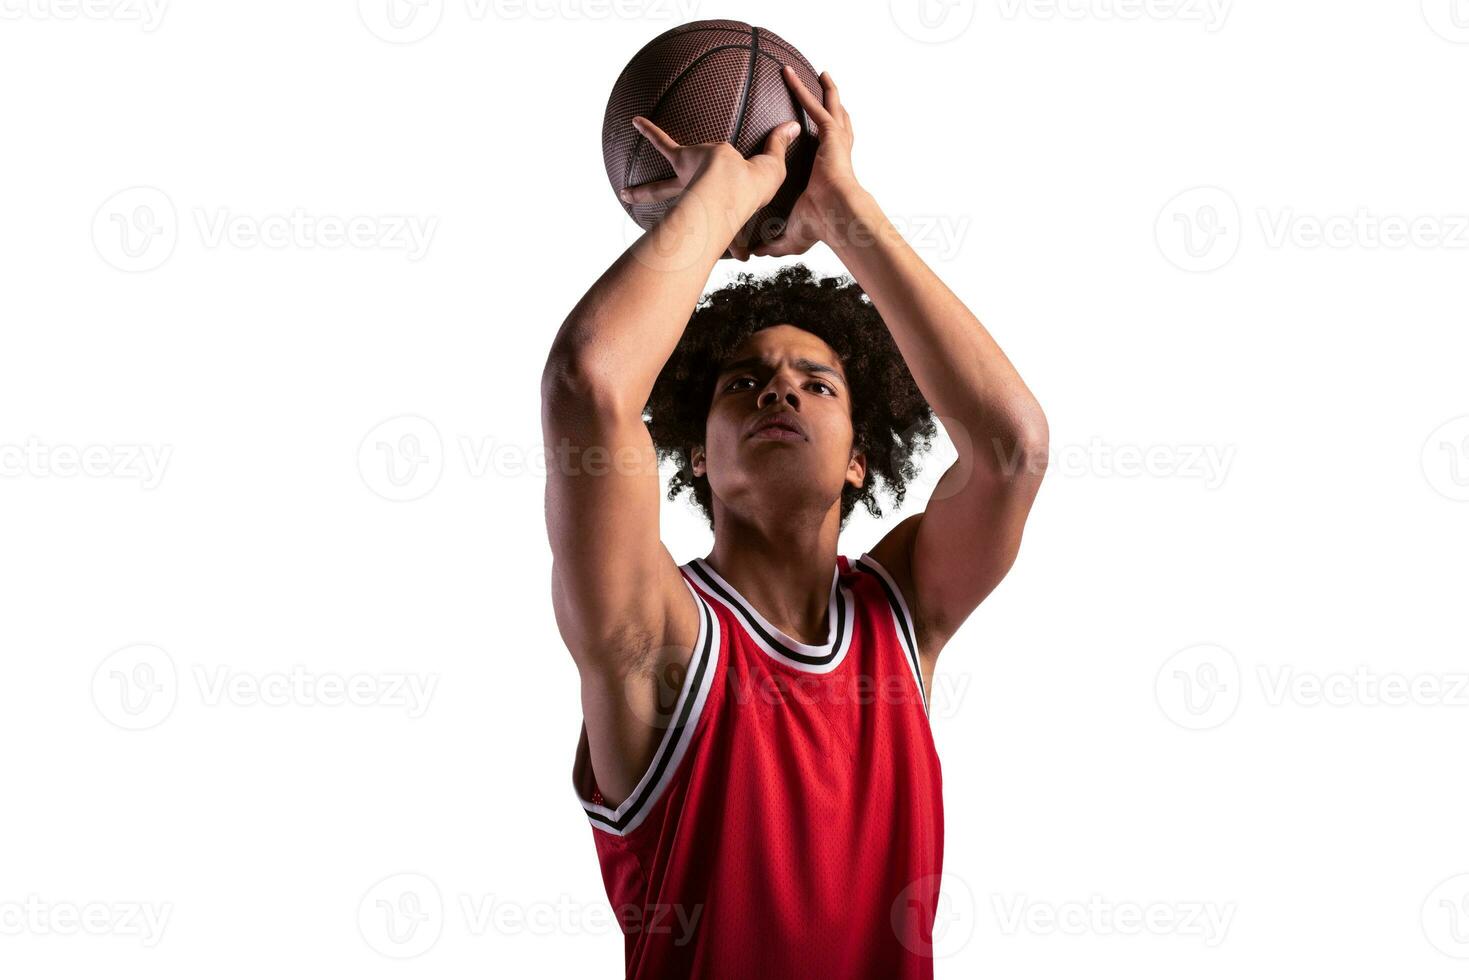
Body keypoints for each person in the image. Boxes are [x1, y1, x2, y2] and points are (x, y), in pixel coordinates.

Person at [541, 66, 1048, 978]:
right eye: (745, 383)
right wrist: (722, 199)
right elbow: (589, 384)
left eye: (817, 384)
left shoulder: (902, 616)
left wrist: (843, 209)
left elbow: (1012, 448)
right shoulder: (657, 632)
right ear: (697, 452)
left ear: (861, 456)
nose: (780, 386)